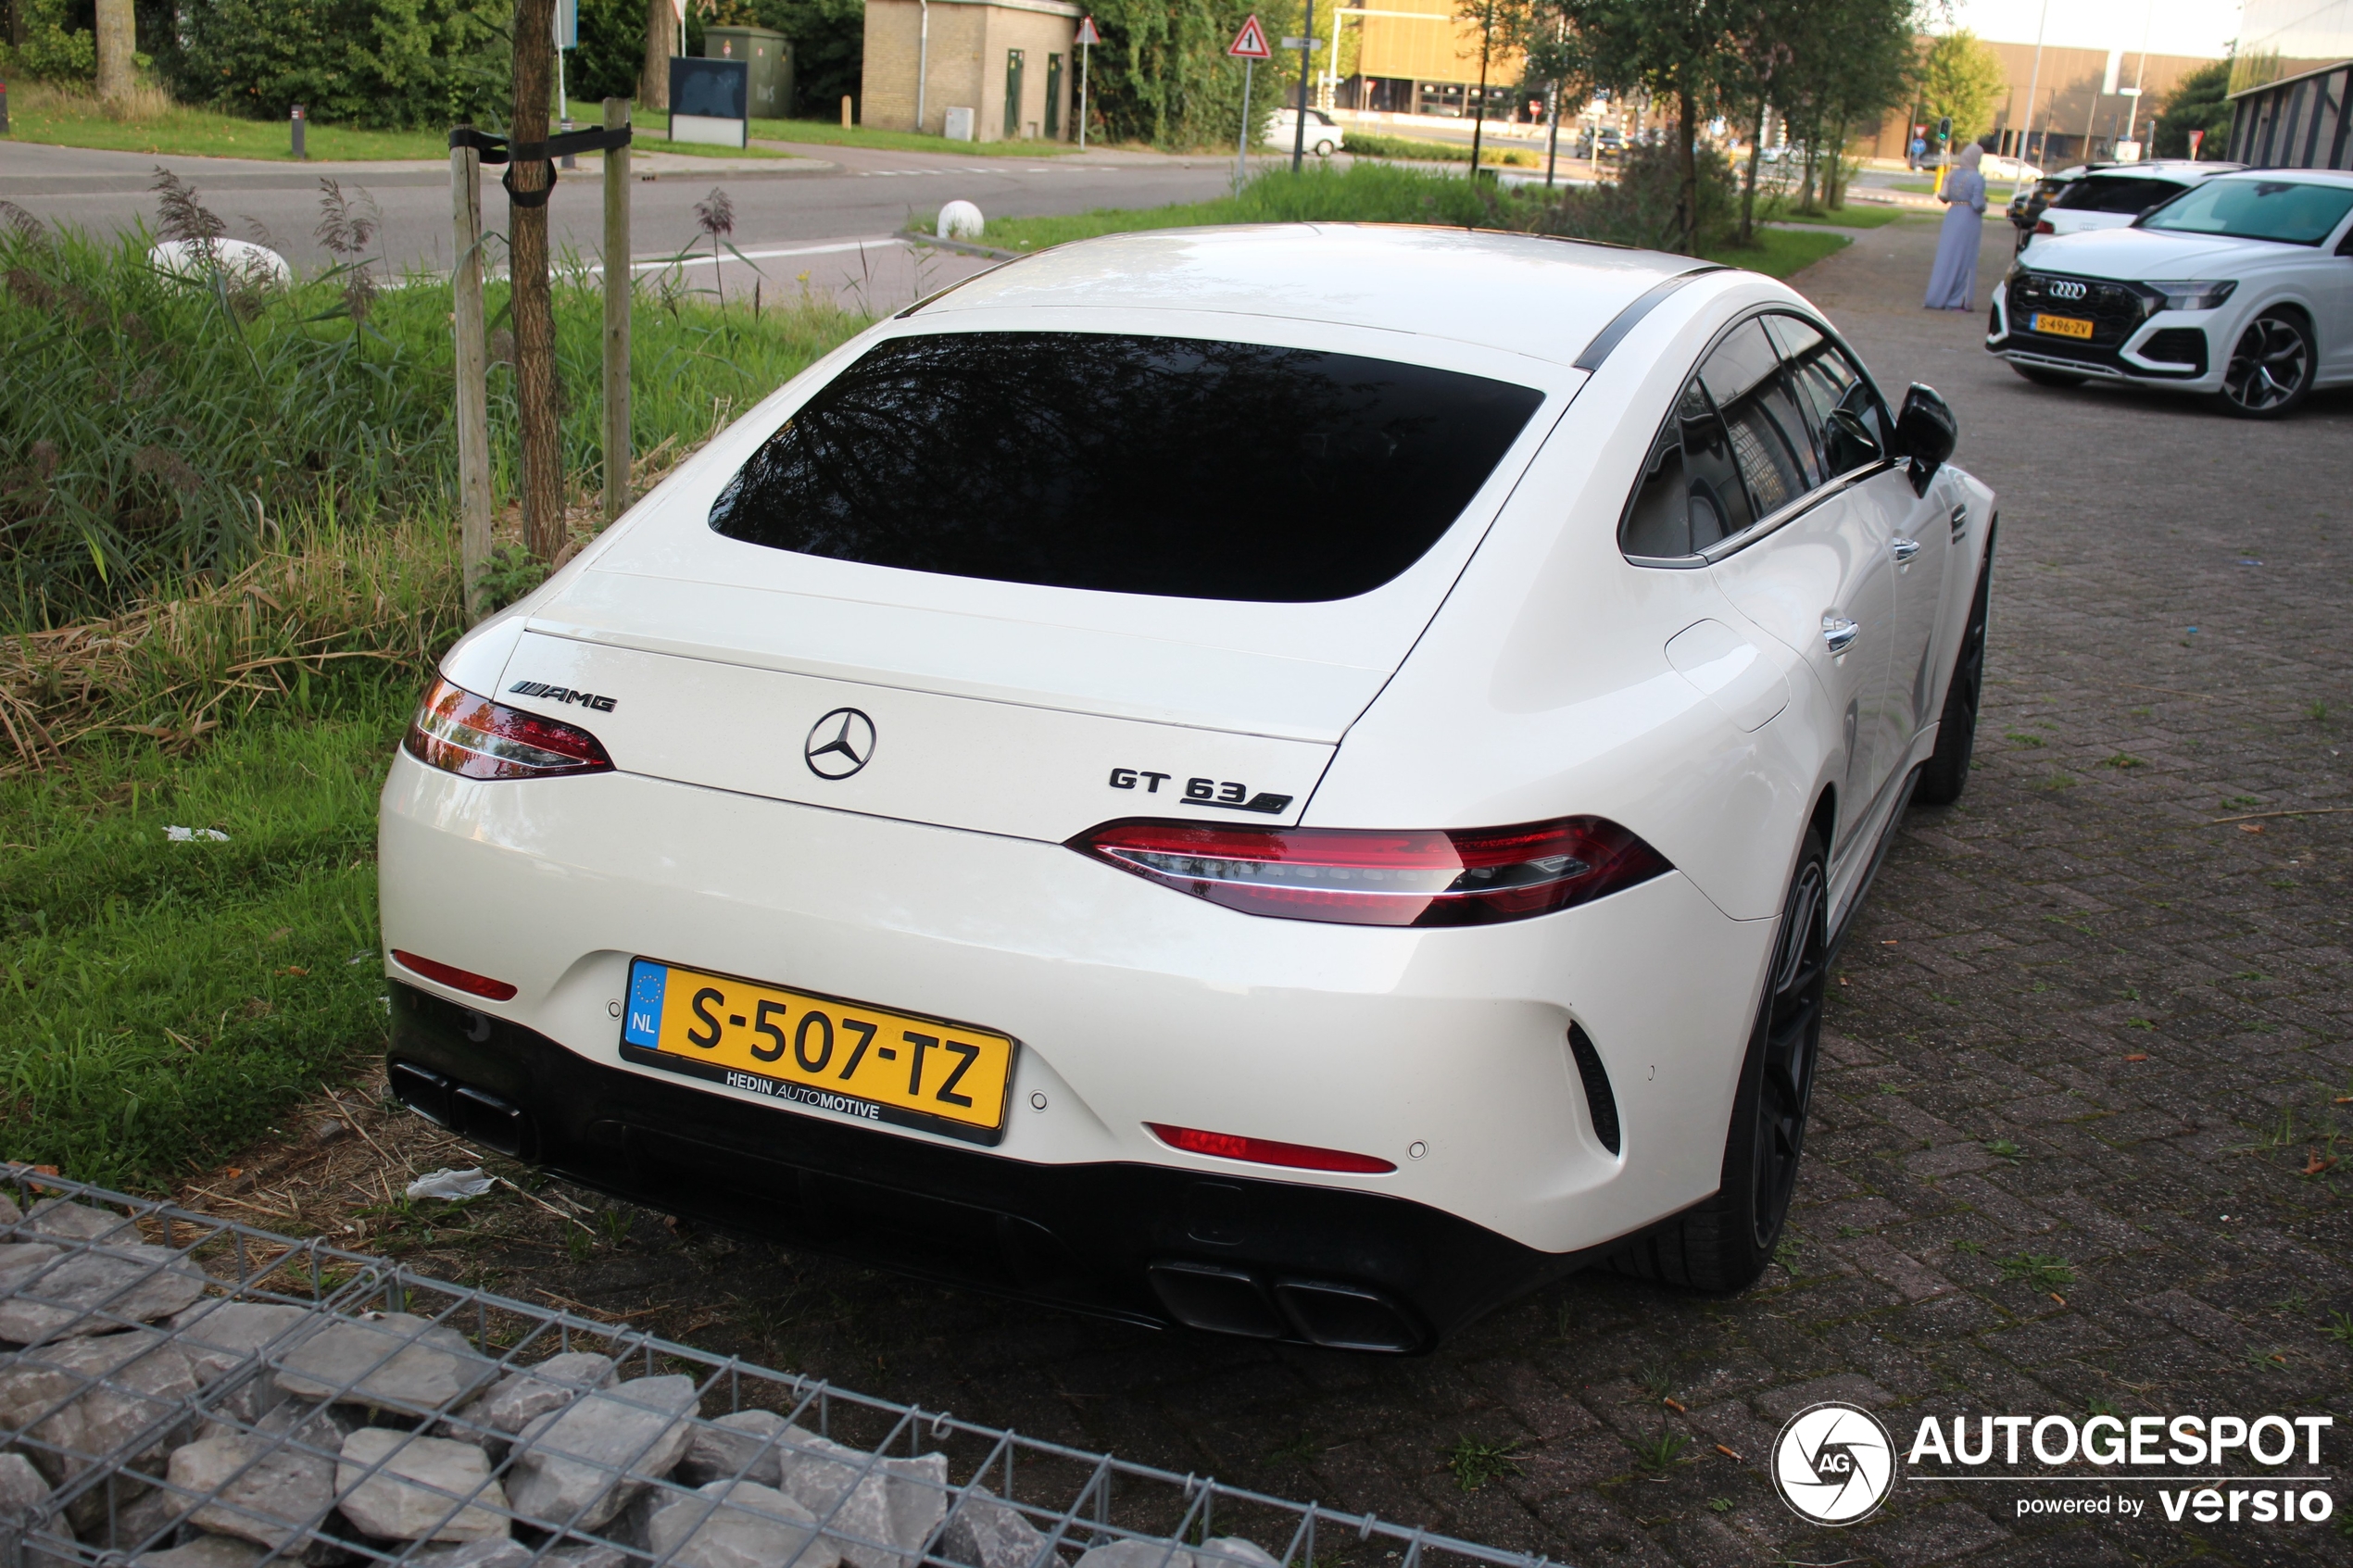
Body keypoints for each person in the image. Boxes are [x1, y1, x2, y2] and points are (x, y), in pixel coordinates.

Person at [1925, 143, 1988, 311]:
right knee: (1965, 258)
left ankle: (1937, 295)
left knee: (1947, 255)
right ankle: (1958, 298)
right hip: (1969, 218)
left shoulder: (1952, 174)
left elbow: (1943, 196)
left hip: (1953, 215)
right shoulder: (1977, 178)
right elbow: (1978, 205)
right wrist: (1985, 202)